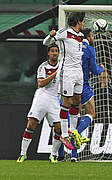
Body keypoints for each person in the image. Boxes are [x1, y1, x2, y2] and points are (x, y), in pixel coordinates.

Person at [58, 28, 105, 162]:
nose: (93, 37)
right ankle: (77, 136)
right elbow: (95, 70)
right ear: (88, 36)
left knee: (66, 118)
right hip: (82, 86)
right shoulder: (90, 49)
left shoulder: (72, 46)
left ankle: (61, 155)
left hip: (67, 83)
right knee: (90, 113)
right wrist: (102, 67)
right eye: (91, 35)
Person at [43, 12, 85, 149]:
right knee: (66, 102)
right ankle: (64, 134)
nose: (84, 23)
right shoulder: (65, 32)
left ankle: (73, 130)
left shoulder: (81, 36)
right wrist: (50, 35)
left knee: (77, 100)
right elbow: (46, 43)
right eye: (83, 21)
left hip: (79, 72)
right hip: (68, 72)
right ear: (78, 22)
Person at [17, 44, 64, 163]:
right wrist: (55, 74)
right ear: (48, 53)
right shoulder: (43, 67)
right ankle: (23, 154)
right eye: (52, 51)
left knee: (58, 128)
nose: (54, 53)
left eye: (56, 51)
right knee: (31, 124)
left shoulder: (62, 66)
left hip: (54, 99)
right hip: (42, 97)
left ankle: (53, 155)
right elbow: (40, 84)